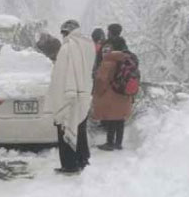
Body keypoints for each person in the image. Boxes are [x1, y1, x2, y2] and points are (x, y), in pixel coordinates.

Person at [45, 19, 96, 174]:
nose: (62, 36)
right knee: (80, 127)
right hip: (84, 94)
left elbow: (62, 75)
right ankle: (82, 159)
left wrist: (65, 94)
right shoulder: (87, 46)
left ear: (67, 32)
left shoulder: (68, 48)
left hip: (69, 96)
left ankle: (69, 165)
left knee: (66, 127)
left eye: (63, 33)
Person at [92, 35, 133, 151]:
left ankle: (110, 143)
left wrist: (97, 93)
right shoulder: (125, 60)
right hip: (124, 95)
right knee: (120, 119)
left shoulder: (107, 63)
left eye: (105, 51)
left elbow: (101, 81)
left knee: (111, 119)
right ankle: (118, 143)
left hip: (110, 95)